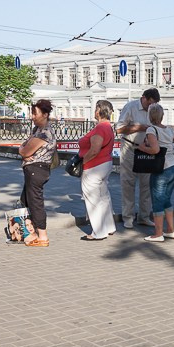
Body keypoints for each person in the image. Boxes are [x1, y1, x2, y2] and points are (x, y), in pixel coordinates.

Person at [137, 104, 174, 242]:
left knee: (157, 201)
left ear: (150, 116)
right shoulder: (169, 130)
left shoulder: (151, 130)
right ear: (162, 116)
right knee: (166, 200)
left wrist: (142, 148)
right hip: (173, 167)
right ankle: (171, 230)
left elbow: (155, 150)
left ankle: (158, 234)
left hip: (161, 169)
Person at [115, 88, 161, 229]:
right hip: (130, 147)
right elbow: (119, 129)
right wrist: (139, 127)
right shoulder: (131, 107)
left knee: (146, 184)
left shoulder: (154, 109)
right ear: (144, 98)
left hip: (147, 150)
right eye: (150, 103)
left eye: (155, 104)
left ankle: (144, 217)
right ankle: (128, 217)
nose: (151, 107)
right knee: (128, 183)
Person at [18, 100, 56, 247]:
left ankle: (43, 236)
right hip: (34, 169)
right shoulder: (37, 130)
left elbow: (24, 149)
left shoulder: (44, 133)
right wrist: (23, 150)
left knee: (36, 202)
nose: (32, 116)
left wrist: (23, 152)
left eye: (35, 113)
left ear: (45, 114)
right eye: (32, 113)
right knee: (26, 199)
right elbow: (23, 147)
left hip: (37, 169)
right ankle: (31, 231)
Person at [79, 100, 117, 241]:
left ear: (99, 110)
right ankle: (109, 226)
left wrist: (83, 161)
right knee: (103, 197)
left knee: (93, 198)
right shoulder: (108, 127)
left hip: (94, 166)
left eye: (96, 108)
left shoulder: (100, 128)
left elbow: (94, 149)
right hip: (105, 164)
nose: (94, 111)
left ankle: (99, 232)